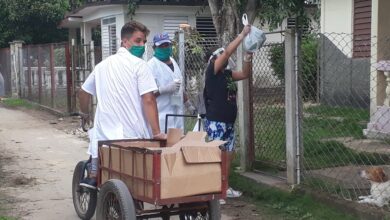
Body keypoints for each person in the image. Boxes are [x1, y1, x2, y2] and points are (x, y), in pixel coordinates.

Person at [78, 21, 165, 189]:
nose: (142, 46)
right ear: (124, 42)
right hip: (133, 138)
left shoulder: (102, 66)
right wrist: (157, 132)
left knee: (95, 138)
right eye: (138, 41)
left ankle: (94, 175)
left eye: (144, 42)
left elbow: (83, 92)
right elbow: (149, 99)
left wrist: (85, 114)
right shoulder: (140, 66)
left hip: (105, 138)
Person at [203, 25, 252, 203]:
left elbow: (245, 74)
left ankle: (224, 187)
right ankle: (213, 191)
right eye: (220, 56)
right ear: (213, 59)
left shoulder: (227, 74)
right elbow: (227, 53)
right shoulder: (212, 71)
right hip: (216, 122)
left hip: (229, 122)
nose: (224, 58)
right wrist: (242, 35)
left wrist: (248, 55)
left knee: (228, 155)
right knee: (217, 155)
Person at [147, 32, 188, 133]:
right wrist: (163, 90)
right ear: (154, 48)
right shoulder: (150, 66)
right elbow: (147, 96)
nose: (165, 48)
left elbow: (179, 86)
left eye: (167, 45)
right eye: (161, 46)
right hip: (161, 117)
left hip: (178, 115)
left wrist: (188, 103)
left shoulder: (174, 62)